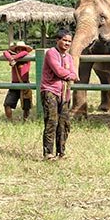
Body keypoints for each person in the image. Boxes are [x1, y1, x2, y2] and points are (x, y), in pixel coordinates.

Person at [40, 29, 78, 161]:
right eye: (65, 40)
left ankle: (61, 152)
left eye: (69, 41)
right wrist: (69, 75)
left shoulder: (69, 57)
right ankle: (48, 153)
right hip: (50, 91)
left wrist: (69, 74)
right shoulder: (51, 53)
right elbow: (59, 71)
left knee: (64, 123)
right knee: (51, 122)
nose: (67, 43)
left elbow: (73, 73)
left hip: (65, 93)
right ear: (58, 40)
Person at [2, 41, 33, 122]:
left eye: (21, 49)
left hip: (25, 84)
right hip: (14, 84)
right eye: (17, 49)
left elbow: (25, 53)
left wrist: (14, 58)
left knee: (26, 107)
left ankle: (25, 121)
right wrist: (11, 59)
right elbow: (5, 52)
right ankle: (10, 121)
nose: (19, 51)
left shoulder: (26, 57)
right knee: (7, 104)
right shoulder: (13, 57)